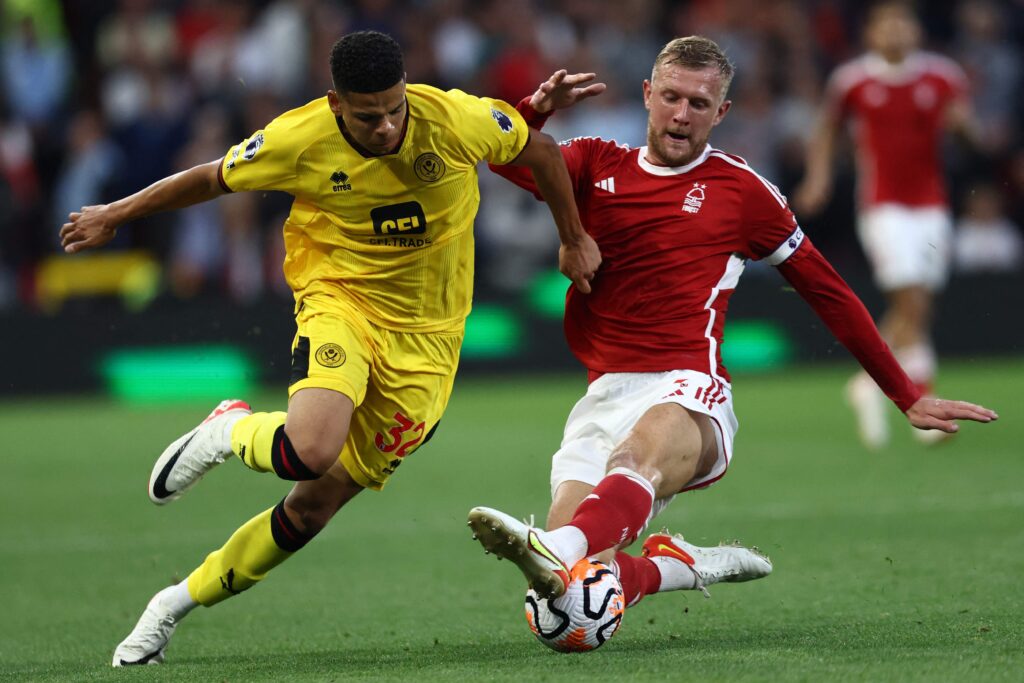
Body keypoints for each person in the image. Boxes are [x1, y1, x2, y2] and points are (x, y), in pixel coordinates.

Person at [60, 30, 600, 666]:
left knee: (313, 508)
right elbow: (211, 179)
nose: (386, 127)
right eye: (367, 116)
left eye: (395, 109)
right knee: (309, 450)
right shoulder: (297, 138)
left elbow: (538, 150)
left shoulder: (453, 117)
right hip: (340, 299)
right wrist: (115, 215)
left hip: (428, 342)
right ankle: (231, 430)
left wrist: (572, 238)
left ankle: (172, 604)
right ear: (336, 103)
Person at [467, 36, 997, 610]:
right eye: (671, 97)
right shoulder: (596, 163)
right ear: (648, 95)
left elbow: (827, 290)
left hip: (690, 388)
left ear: (720, 113)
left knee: (626, 471)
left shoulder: (742, 192)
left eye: (699, 104)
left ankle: (554, 544)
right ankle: (672, 566)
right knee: (566, 602)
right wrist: (536, 109)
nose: (681, 114)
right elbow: (505, 156)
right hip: (605, 391)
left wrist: (904, 393)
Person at [793, 1, 977, 449]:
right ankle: (924, 405)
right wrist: (817, 178)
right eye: (887, 23)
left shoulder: (943, 76)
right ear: (872, 33)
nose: (896, 31)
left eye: (903, 22)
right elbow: (826, 130)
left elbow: (970, 138)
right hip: (882, 205)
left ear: (916, 30)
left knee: (918, 306)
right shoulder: (854, 80)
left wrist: (963, 129)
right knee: (911, 299)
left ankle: (866, 382)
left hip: (932, 204)